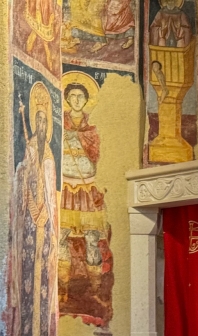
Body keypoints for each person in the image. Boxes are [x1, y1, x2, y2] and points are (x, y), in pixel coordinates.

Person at [11, 83, 58, 336]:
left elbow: (51, 196)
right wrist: (31, 208)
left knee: (43, 302)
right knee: (28, 304)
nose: (39, 126)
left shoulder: (50, 157)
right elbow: (24, 183)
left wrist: (47, 219)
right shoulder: (29, 150)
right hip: (29, 237)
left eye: (44, 122)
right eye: (36, 120)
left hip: (44, 239)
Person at [61, 79, 108, 301]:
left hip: (87, 188)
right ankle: (62, 288)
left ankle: (96, 290)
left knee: (91, 238)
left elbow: (96, 155)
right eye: (73, 96)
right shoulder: (59, 126)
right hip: (65, 188)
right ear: (67, 99)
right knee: (61, 237)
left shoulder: (92, 130)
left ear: (87, 100)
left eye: (81, 96)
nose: (77, 100)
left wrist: (78, 137)